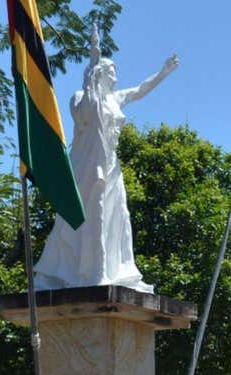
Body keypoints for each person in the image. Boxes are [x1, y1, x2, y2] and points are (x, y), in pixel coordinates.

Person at [35, 26, 178, 292]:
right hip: (87, 164)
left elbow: (141, 89)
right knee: (91, 215)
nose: (115, 75)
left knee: (118, 215)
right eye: (111, 70)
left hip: (110, 165)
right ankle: (91, 272)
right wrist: (92, 64)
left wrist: (163, 72)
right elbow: (87, 113)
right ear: (99, 73)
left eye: (114, 71)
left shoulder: (116, 98)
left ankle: (120, 270)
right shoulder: (80, 97)